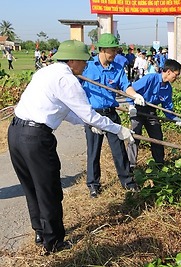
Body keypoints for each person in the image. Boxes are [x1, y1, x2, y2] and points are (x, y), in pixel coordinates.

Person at [7, 40, 135, 255]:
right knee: (49, 189)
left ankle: (40, 231)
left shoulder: (46, 72)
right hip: (36, 137)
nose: (86, 66)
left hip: (16, 132)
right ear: (73, 60)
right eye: (84, 61)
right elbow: (89, 113)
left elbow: (64, 110)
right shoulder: (67, 80)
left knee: (31, 186)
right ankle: (54, 242)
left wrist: (88, 124)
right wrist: (117, 129)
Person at [81, 33, 145, 198]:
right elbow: (76, 90)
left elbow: (125, 86)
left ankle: (128, 182)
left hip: (111, 115)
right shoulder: (87, 68)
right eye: (112, 51)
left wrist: (134, 96)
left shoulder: (117, 69)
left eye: (116, 50)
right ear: (102, 50)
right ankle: (93, 185)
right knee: (93, 152)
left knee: (119, 150)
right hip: (93, 116)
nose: (115, 54)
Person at [127, 59, 181, 168]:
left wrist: (174, 118)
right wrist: (131, 105)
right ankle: (131, 165)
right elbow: (131, 90)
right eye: (175, 75)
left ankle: (159, 163)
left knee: (157, 137)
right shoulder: (150, 78)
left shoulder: (167, 88)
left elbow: (167, 107)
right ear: (168, 72)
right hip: (137, 109)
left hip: (151, 112)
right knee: (134, 136)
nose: (176, 78)